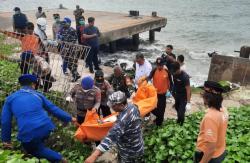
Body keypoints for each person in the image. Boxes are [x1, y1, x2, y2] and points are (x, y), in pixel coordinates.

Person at [1, 74, 77, 162]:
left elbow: (5, 121)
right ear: (33, 84)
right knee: (37, 144)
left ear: (21, 85)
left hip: (29, 130)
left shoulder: (10, 99)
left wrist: (6, 140)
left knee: (34, 149)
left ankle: (60, 159)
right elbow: (53, 108)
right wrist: (70, 118)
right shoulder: (38, 95)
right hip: (47, 126)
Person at [84, 91, 144, 163]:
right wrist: (105, 121)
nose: (111, 107)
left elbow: (111, 137)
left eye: (113, 105)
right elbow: (120, 116)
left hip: (129, 151)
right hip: (138, 144)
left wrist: (94, 156)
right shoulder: (132, 106)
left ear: (121, 105)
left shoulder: (122, 121)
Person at [194, 81, 228, 163]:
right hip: (221, 151)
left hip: (210, 157)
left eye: (203, 94)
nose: (202, 96)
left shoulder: (210, 118)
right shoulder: (223, 109)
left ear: (207, 97)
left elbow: (211, 148)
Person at [147, 58, 170, 126]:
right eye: (158, 65)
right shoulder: (154, 70)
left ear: (163, 65)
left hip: (163, 95)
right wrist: (148, 82)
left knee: (162, 110)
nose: (159, 66)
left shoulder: (166, 71)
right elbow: (149, 77)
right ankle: (159, 119)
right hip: (155, 94)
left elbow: (171, 82)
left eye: (161, 65)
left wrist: (170, 91)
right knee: (152, 108)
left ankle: (159, 124)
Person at [57, 17, 80, 82]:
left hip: (72, 50)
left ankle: (75, 75)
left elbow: (75, 40)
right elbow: (58, 38)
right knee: (68, 62)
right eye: (63, 22)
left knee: (73, 63)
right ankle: (75, 75)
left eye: (65, 22)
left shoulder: (72, 30)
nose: (64, 24)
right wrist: (59, 39)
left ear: (69, 23)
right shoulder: (61, 29)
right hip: (64, 49)